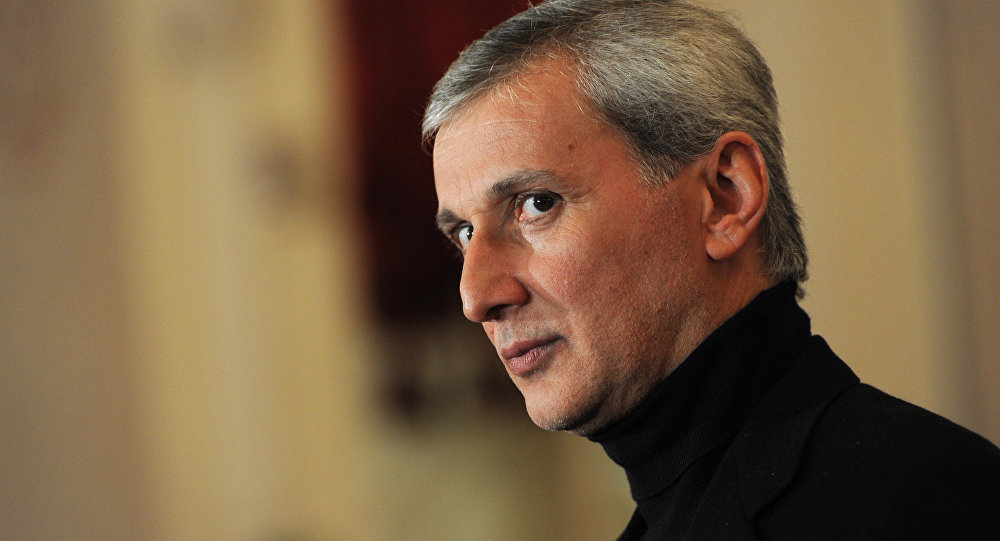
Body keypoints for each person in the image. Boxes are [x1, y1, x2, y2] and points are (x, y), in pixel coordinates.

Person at [424, 0, 1000, 538]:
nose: (476, 297)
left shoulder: (916, 499)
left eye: (536, 203)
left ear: (726, 197)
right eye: (465, 234)